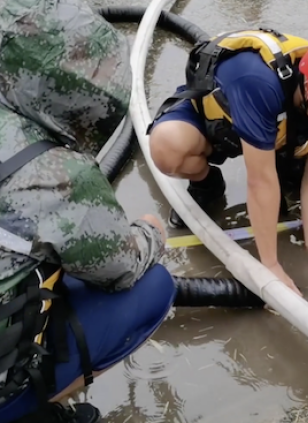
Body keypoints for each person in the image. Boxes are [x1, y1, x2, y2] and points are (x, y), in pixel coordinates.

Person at [0, 1, 172, 422]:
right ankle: (29, 406)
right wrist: (152, 231)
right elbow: (121, 268)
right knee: (154, 289)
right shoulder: (57, 173)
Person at [147, 28, 308, 296]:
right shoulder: (258, 81)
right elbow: (260, 182)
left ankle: (283, 163)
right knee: (167, 148)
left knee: (293, 177)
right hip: (220, 122)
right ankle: (207, 184)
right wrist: (271, 266)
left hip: (278, 129)